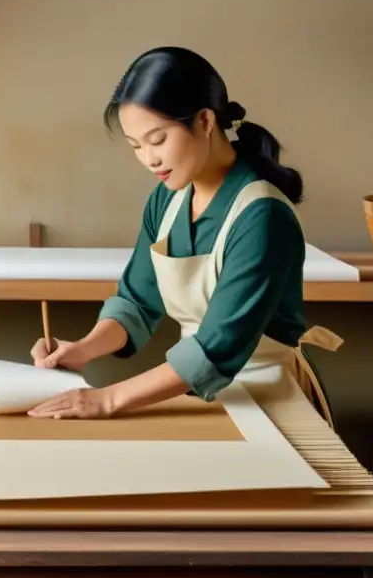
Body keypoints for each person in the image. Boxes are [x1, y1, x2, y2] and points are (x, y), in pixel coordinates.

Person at [27, 45, 341, 424]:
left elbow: (216, 347)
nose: (149, 159)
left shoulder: (263, 217)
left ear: (205, 121)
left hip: (268, 399)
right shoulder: (168, 199)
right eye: (136, 146)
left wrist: (106, 400)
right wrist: (82, 349)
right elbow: (138, 302)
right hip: (196, 396)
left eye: (157, 140)